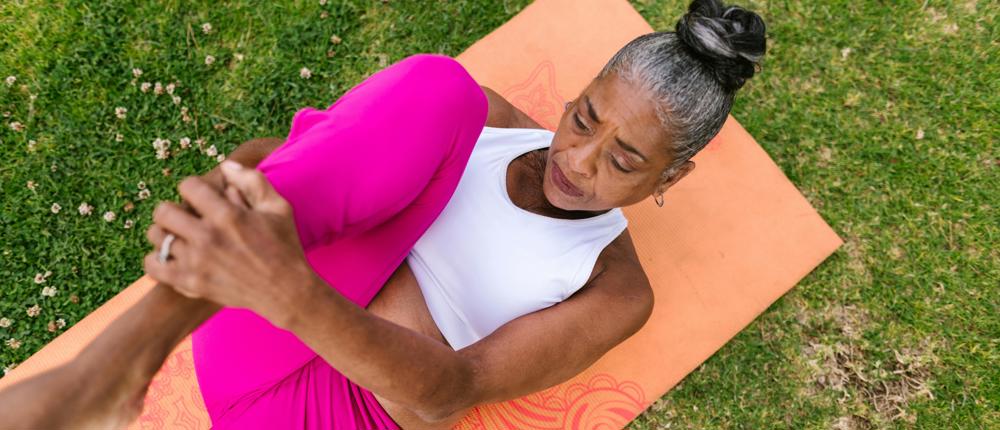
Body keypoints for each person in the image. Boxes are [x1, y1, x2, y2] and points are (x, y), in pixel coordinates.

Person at [0, 0, 766, 428]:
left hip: (326, 409)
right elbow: (281, 158)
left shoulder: (614, 287)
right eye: (585, 116)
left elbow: (442, 394)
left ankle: (114, 368)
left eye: (626, 160)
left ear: (676, 173)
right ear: (576, 93)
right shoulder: (481, 121)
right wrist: (238, 193)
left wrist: (299, 283)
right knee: (441, 87)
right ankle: (116, 369)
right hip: (247, 324)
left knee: (429, 119)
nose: (580, 160)